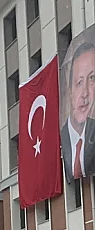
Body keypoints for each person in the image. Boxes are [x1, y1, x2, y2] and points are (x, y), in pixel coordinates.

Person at [61, 41, 95, 183]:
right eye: (79, 83)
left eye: (92, 79)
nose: (85, 93)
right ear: (70, 93)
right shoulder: (59, 137)